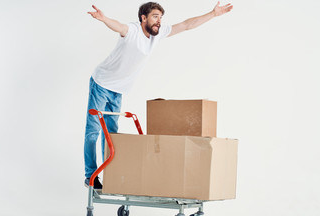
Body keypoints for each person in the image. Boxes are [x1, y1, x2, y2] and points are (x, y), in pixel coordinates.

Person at [84, 2, 233, 188]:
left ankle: (112, 174)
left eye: (161, 17)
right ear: (143, 18)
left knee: (111, 135)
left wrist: (213, 14)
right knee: (93, 132)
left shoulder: (158, 34)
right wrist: (104, 18)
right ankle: (90, 176)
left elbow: (186, 25)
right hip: (101, 84)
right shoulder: (133, 31)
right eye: (155, 16)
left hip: (119, 90)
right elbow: (119, 26)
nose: (159, 22)